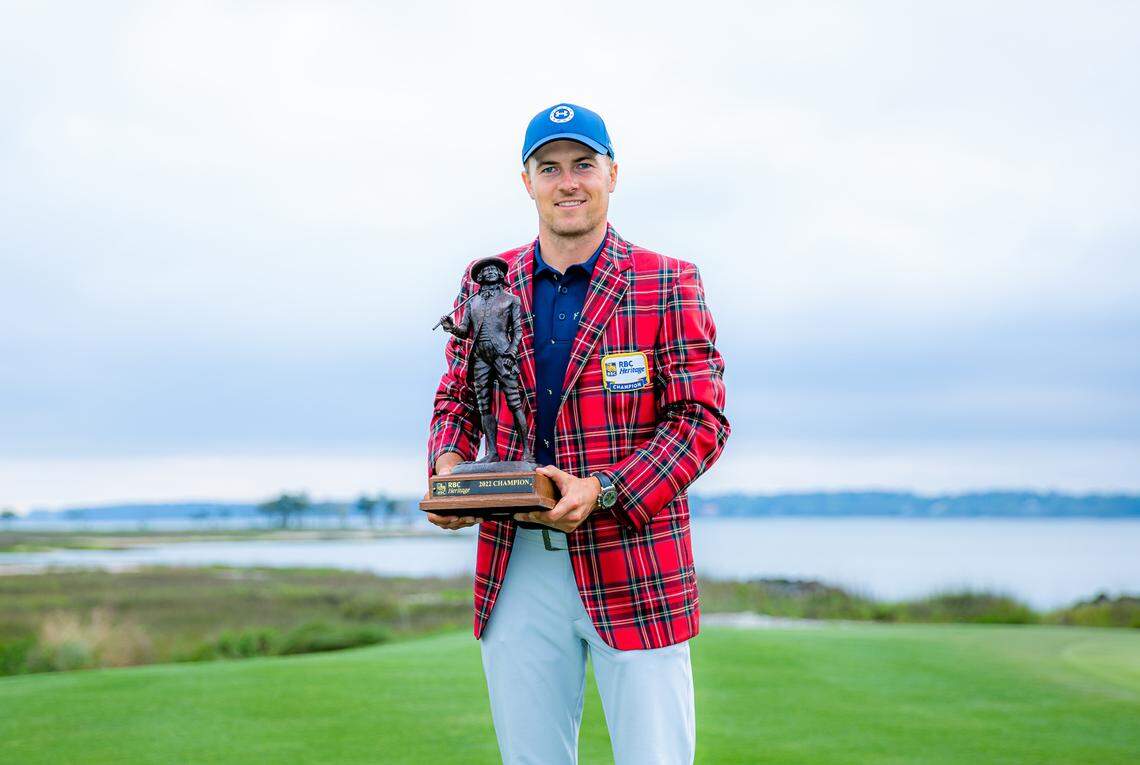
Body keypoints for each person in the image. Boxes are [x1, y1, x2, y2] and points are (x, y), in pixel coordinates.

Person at [425, 102, 730, 765]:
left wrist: (605, 488)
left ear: (612, 174)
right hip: (516, 563)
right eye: (550, 168)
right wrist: (448, 466)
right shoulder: (486, 281)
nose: (568, 182)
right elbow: (457, 396)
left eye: (583, 165)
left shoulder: (668, 280)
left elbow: (700, 421)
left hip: (635, 559)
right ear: (527, 181)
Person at [438, 257, 533, 464]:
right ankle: (492, 452)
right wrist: (451, 327)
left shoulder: (511, 300)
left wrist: (511, 353)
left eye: (494, 269)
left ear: (500, 275)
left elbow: (518, 331)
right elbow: (464, 331)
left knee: (514, 402)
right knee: (483, 405)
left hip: (502, 354)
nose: (490, 272)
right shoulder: (472, 302)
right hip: (480, 356)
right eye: (486, 270)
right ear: (480, 277)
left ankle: (527, 452)